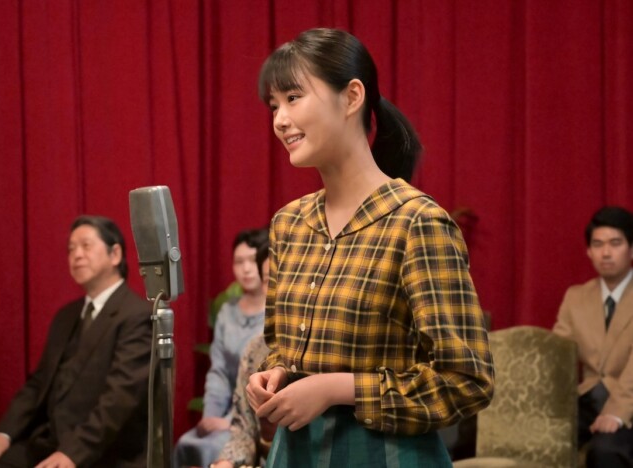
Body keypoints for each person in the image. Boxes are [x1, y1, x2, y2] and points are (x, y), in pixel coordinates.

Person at [245, 28, 494, 468]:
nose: (280, 119)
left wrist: (337, 388)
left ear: (352, 97)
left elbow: (466, 381)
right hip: (296, 453)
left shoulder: (416, 222)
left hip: (385, 454)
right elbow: (283, 345)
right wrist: (276, 372)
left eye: (294, 98)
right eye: (274, 105)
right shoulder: (289, 224)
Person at [0, 215, 152, 468]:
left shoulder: (137, 316)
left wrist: (73, 454)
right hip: (46, 444)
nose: (76, 255)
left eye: (86, 245)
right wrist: (4, 433)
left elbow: (120, 398)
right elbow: (39, 384)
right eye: (71, 249)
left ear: (115, 254)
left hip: (99, 453)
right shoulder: (67, 315)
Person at [175, 229, 269, 467]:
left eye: (252, 260)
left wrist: (229, 422)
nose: (246, 269)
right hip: (224, 414)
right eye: (239, 262)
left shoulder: (276, 315)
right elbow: (219, 372)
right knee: (187, 444)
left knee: (213, 449)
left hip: (253, 417)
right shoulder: (227, 311)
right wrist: (212, 417)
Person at [553, 206, 633, 468]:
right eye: (598, 244)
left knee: (605, 451)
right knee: (537, 437)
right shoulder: (576, 297)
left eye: (615, 243)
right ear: (588, 251)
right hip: (587, 400)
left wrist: (617, 413)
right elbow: (558, 354)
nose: (606, 253)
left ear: (631, 249)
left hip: (628, 402)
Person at [211, 241, 276, 468]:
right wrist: (227, 462)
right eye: (269, 280)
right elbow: (244, 429)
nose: (278, 289)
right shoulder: (255, 349)